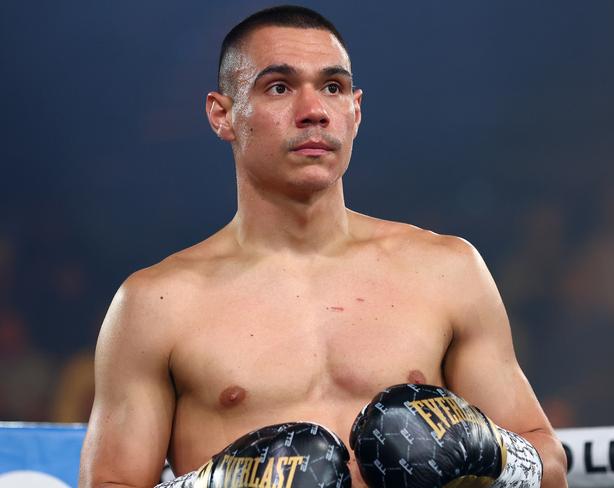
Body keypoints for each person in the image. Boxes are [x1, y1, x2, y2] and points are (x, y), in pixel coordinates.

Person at [79, 6, 567, 488]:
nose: (313, 111)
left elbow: (549, 464)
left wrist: (491, 453)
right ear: (222, 114)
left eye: (332, 87)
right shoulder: (155, 304)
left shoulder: (447, 270)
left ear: (355, 111)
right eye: (279, 87)